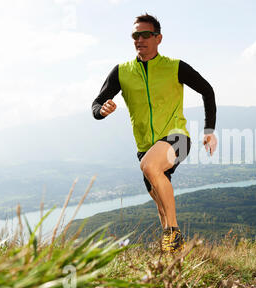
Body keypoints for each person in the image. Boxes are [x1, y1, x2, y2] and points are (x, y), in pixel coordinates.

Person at [92, 13, 217, 253]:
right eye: (135, 35)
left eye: (146, 34)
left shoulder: (174, 67)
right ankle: (173, 258)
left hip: (177, 138)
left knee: (150, 167)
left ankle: (174, 231)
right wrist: (102, 110)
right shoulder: (122, 72)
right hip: (145, 148)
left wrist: (209, 129)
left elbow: (207, 90)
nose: (140, 39)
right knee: (160, 204)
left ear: (158, 38)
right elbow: (96, 104)